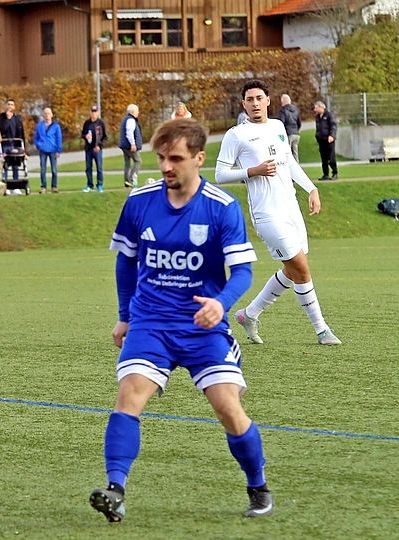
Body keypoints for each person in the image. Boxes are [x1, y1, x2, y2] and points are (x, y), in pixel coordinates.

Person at [90, 118, 272, 523]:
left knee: (227, 406)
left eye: (175, 158)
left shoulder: (222, 207)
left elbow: (241, 271)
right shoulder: (139, 202)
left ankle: (257, 484)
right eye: (161, 158)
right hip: (151, 323)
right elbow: (126, 262)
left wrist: (221, 304)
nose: (166, 167)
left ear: (199, 158)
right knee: (129, 395)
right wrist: (124, 317)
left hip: (202, 327)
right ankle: (115, 489)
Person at [216, 80, 341, 346]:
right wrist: (253, 170)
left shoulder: (277, 126)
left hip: (290, 208)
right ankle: (321, 330)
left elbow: (288, 162)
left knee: (293, 268)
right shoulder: (236, 134)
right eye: (249, 100)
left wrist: (311, 188)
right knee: (302, 269)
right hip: (266, 214)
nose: (255, 103)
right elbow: (219, 174)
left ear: (268, 100)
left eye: (259, 98)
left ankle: (249, 314)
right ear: (243, 105)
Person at [33, 106, 62, 194]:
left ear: (52, 115)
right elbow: (36, 137)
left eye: (48, 113)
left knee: (54, 169)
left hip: (53, 150)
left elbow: (59, 138)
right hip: (43, 150)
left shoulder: (56, 126)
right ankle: (43, 187)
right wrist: (39, 145)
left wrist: (58, 150)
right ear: (43, 115)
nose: (47, 115)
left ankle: (54, 186)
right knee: (43, 169)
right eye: (45, 113)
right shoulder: (40, 126)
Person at [0, 98, 26, 183]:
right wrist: (8, 119)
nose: (10, 106)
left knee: (15, 165)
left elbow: (21, 132)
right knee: (5, 165)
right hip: (6, 145)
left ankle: (16, 184)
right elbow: (2, 129)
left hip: (16, 144)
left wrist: (23, 147)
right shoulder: (2, 117)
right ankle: (5, 184)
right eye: (8, 104)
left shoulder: (17, 118)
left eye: (12, 104)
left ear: (14, 106)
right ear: (6, 106)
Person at [81, 105, 108, 193]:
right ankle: (89, 185)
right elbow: (82, 134)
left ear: (98, 113)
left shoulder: (101, 123)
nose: (93, 113)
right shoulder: (87, 123)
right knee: (88, 168)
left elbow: (105, 137)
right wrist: (85, 136)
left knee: (99, 168)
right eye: (92, 111)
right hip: (88, 148)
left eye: (95, 111)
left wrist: (99, 146)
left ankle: (99, 185)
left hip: (97, 149)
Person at [118, 104, 141, 188]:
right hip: (129, 145)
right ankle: (132, 179)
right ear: (133, 112)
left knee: (127, 163)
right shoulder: (131, 120)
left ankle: (126, 181)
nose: (138, 112)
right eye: (137, 111)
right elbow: (129, 132)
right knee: (138, 161)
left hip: (124, 145)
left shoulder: (125, 119)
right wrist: (133, 144)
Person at [314, 101, 338, 181]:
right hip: (321, 140)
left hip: (329, 140)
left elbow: (333, 126)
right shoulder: (317, 117)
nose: (315, 109)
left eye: (316, 108)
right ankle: (325, 174)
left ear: (321, 107)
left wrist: (332, 135)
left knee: (331, 157)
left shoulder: (329, 115)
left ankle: (335, 173)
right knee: (323, 158)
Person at [277, 94, 302, 162]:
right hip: (296, 134)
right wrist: (297, 130)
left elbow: (281, 123)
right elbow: (299, 122)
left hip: (288, 133)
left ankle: (288, 167)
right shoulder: (296, 110)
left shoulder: (283, 110)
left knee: (286, 152)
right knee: (295, 153)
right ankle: (297, 168)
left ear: (283, 101)